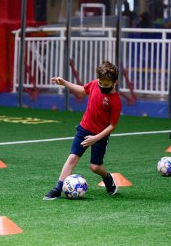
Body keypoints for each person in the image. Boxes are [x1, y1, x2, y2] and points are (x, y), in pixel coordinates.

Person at [43, 61, 122, 200]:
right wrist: (64, 83)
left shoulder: (115, 101)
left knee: (95, 167)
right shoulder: (94, 84)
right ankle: (58, 187)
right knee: (73, 157)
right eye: (101, 82)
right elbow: (83, 90)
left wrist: (96, 138)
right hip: (84, 129)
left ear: (114, 82)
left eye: (106, 84)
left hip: (100, 136)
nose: (102, 86)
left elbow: (112, 126)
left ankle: (107, 178)